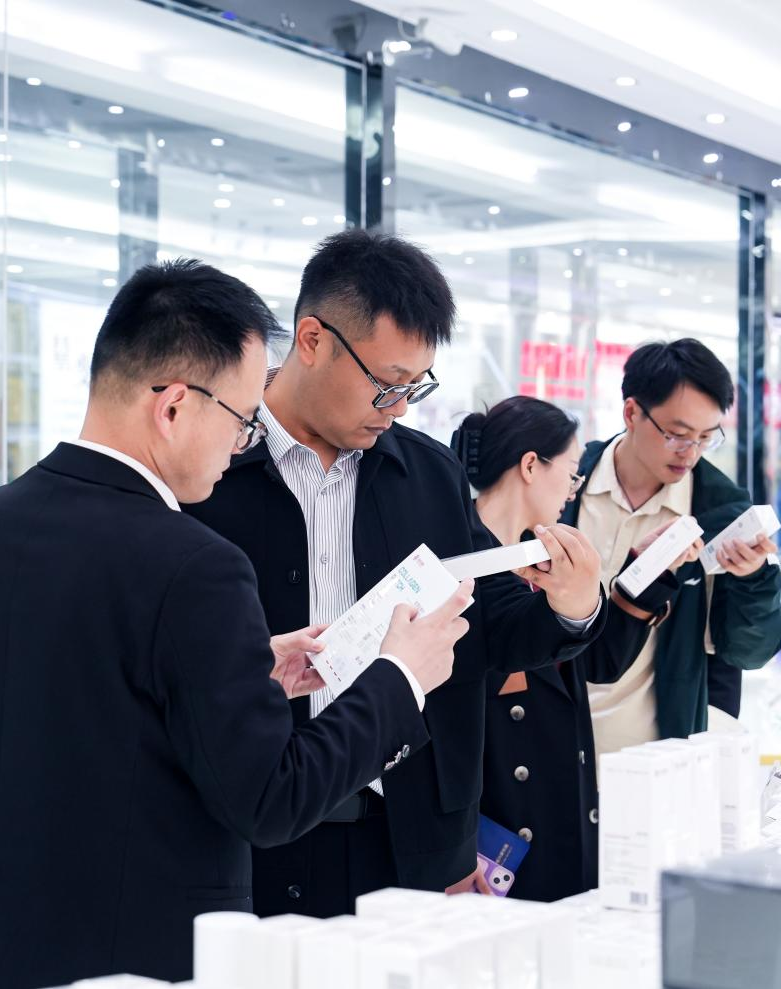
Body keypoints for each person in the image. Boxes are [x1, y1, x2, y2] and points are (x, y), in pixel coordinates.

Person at [0, 259, 475, 987]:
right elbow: (270, 800)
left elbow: (88, 714)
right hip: (134, 957)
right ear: (174, 407)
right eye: (242, 419)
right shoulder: (195, 564)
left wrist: (243, 679)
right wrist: (399, 676)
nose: (244, 442)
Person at [184, 230, 605, 919]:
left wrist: (572, 606)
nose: (401, 407)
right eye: (387, 384)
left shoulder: (428, 475)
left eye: (415, 385)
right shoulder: (209, 469)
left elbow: (487, 628)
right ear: (312, 340)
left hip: (407, 835)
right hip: (246, 834)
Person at [453, 397, 694, 902]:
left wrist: (648, 567)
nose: (573, 488)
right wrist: (452, 844)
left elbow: (597, 661)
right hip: (496, 833)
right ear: (530, 466)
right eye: (571, 471)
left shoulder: (545, 561)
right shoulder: (463, 564)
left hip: (559, 806)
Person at [561, 339, 781, 749]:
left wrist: (752, 579)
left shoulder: (720, 511)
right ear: (631, 412)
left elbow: (749, 653)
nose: (690, 453)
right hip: (553, 744)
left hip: (656, 756)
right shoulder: (567, 482)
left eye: (706, 437)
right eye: (677, 435)